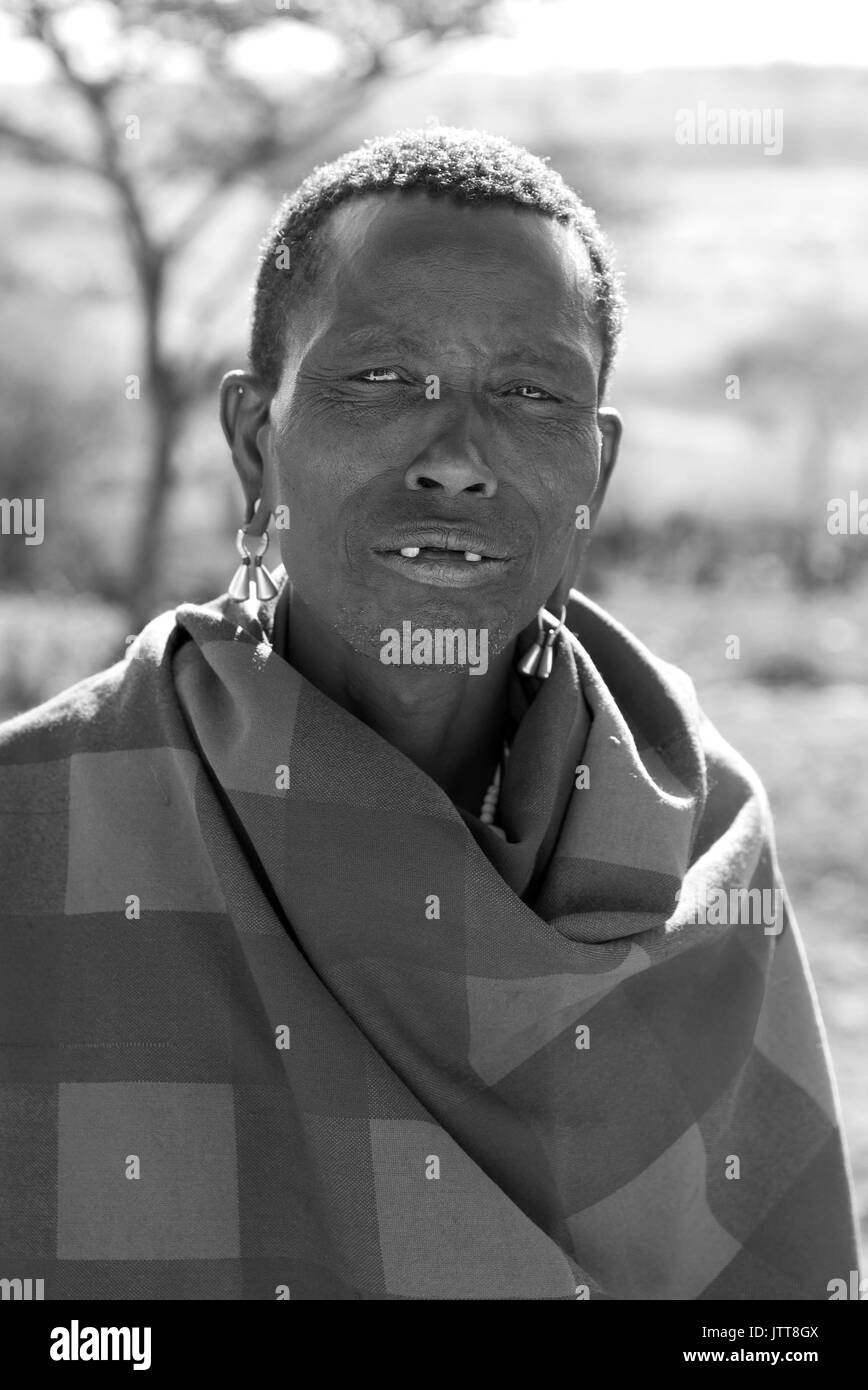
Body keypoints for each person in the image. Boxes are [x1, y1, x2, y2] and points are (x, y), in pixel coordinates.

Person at [0, 128, 859, 1301]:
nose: (456, 457)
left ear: (592, 477)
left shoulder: (700, 841)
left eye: (529, 392)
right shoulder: (38, 821)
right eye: (382, 379)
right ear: (257, 440)